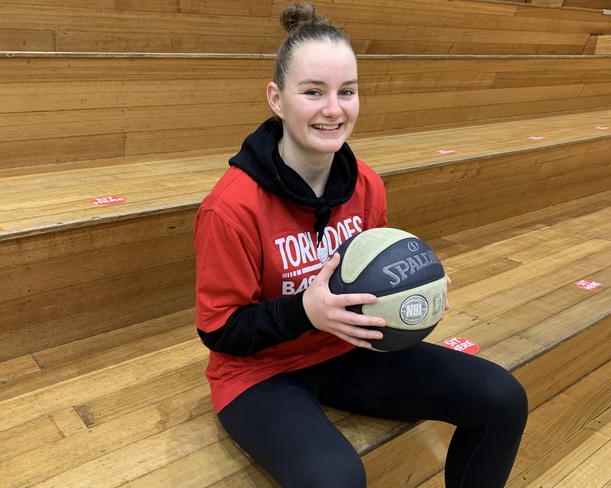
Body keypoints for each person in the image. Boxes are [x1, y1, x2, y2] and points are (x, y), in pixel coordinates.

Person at [193, 3, 528, 487]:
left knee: (502, 398)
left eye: (346, 91)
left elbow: (374, 281)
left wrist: (414, 294)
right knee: (337, 480)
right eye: (313, 92)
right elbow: (220, 331)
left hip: (346, 351)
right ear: (276, 97)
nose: (334, 109)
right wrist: (305, 312)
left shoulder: (366, 183)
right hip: (259, 375)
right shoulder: (230, 207)